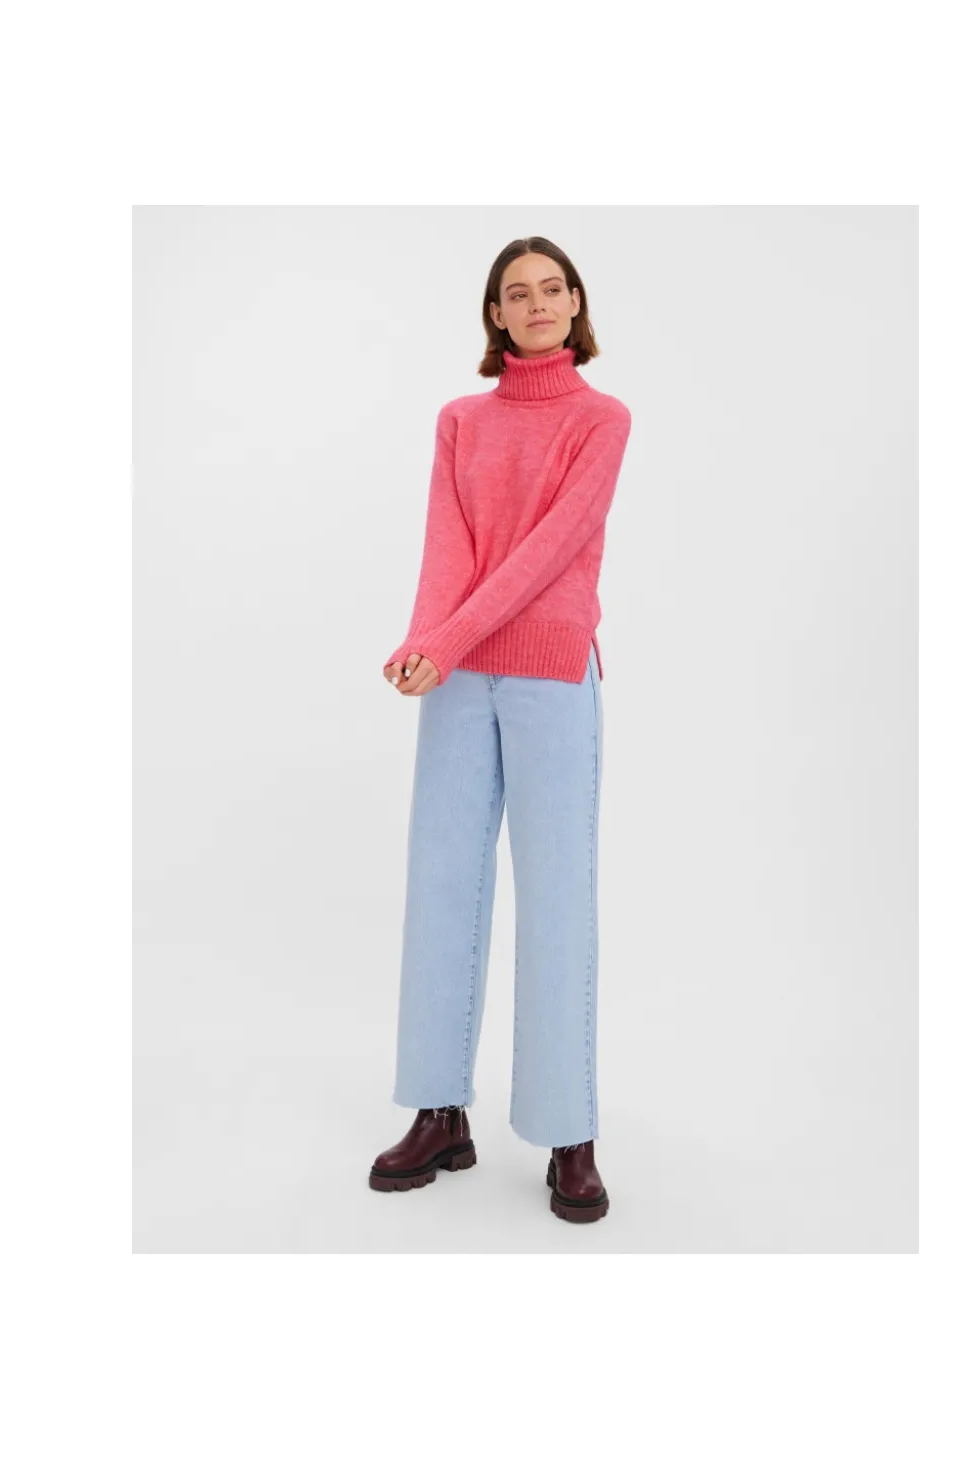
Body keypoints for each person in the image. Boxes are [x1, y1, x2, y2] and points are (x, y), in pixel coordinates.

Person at [368, 237, 632, 1224]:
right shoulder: (460, 421)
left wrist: (446, 639)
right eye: (516, 293)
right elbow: (449, 545)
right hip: (456, 678)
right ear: (494, 313)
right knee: (440, 888)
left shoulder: (601, 420)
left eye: (552, 288)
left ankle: (570, 1134)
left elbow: (546, 552)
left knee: (556, 900)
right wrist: (420, 644)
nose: (536, 303)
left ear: (575, 304)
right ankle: (439, 1110)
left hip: (551, 677)